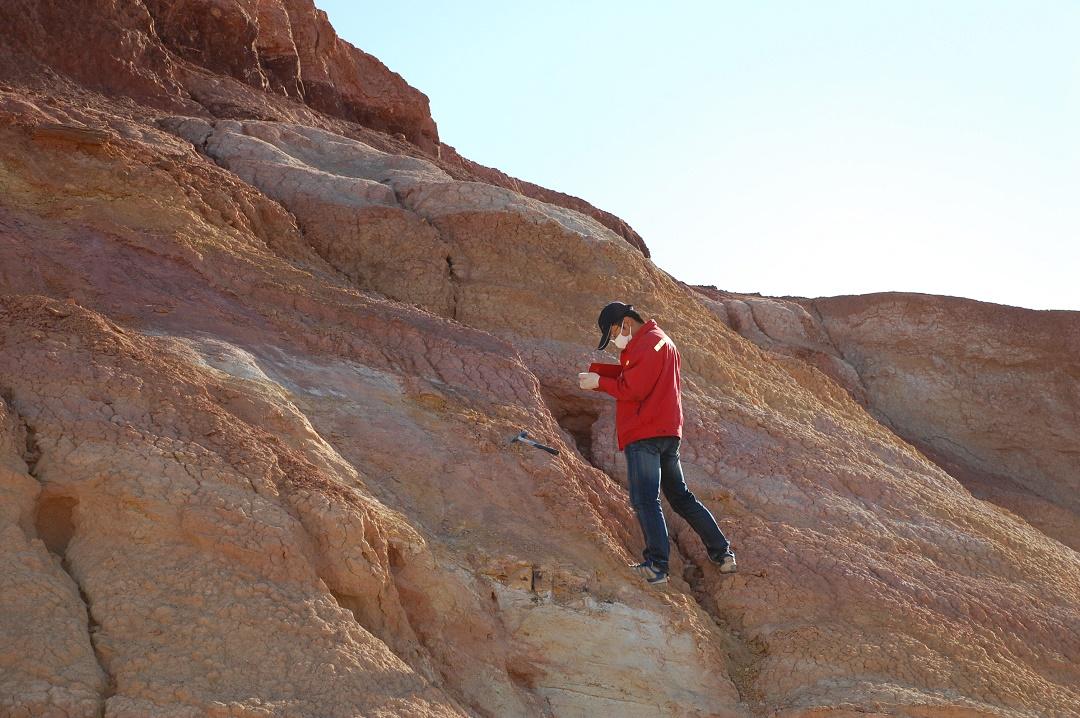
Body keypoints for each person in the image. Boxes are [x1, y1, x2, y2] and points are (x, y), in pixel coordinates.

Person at [578, 301, 736, 585]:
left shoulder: (648, 344)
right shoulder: (659, 341)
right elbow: (640, 376)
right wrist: (602, 374)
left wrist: (599, 383)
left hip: (645, 433)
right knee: (681, 497)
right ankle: (722, 553)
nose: (615, 341)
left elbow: (634, 389)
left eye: (613, 334)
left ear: (625, 322)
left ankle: (657, 566)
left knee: (645, 500)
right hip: (666, 431)